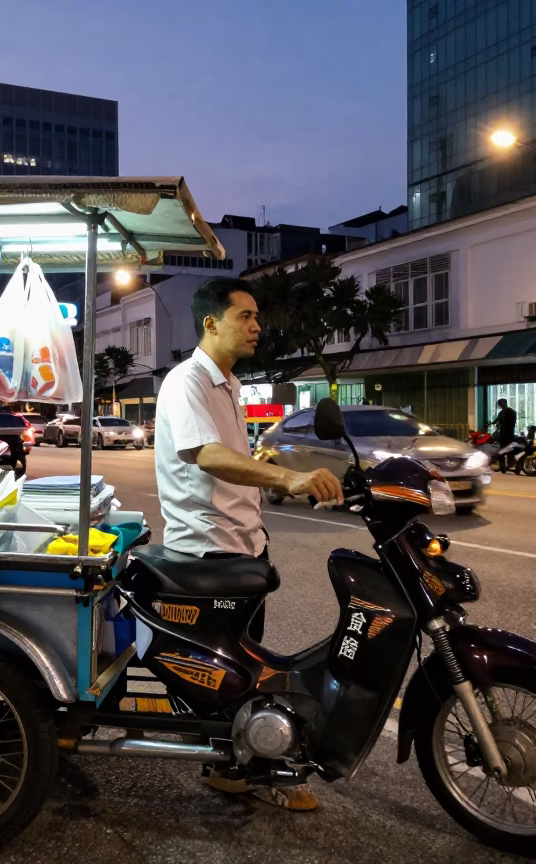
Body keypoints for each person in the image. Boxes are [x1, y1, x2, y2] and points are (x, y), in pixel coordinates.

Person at [154, 278, 342, 812]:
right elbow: (207, 455)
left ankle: (232, 767)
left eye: (258, 316)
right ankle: (249, 768)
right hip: (210, 549)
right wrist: (286, 483)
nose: (258, 326)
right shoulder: (187, 381)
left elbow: (234, 456)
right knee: (232, 670)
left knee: (241, 665)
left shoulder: (229, 383)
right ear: (212, 323)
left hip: (243, 543)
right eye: (246, 316)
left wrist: (280, 469)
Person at [491, 398, 518, 470]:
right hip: (509, 434)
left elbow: (500, 421)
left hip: (505, 434)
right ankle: (509, 464)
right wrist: (493, 423)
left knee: (503, 450)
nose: (500, 406)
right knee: (509, 449)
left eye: (500, 404)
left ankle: (503, 466)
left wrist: (497, 424)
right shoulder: (511, 412)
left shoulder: (505, 412)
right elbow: (498, 420)